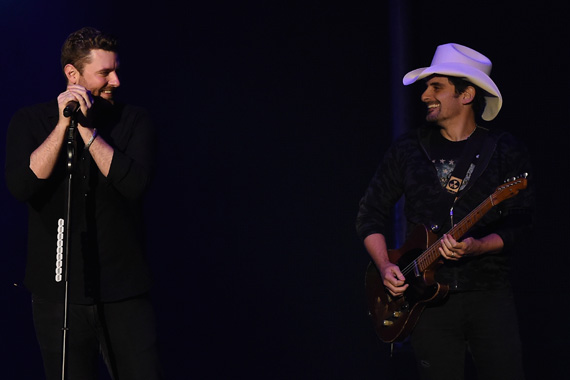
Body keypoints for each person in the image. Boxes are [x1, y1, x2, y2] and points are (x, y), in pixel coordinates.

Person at [356, 43, 533, 380]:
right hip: (425, 304)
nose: (424, 95)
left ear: (466, 95)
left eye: (436, 86)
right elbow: (370, 212)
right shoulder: (409, 149)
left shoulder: (504, 150)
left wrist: (479, 246)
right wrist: (385, 266)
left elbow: (522, 223)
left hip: (489, 296)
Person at [5, 27, 162, 379]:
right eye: (105, 72)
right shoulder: (30, 122)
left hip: (123, 293)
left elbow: (135, 184)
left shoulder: (133, 121)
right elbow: (22, 186)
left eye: (116, 69)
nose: (116, 80)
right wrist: (63, 128)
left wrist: (88, 131)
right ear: (72, 75)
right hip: (57, 295)